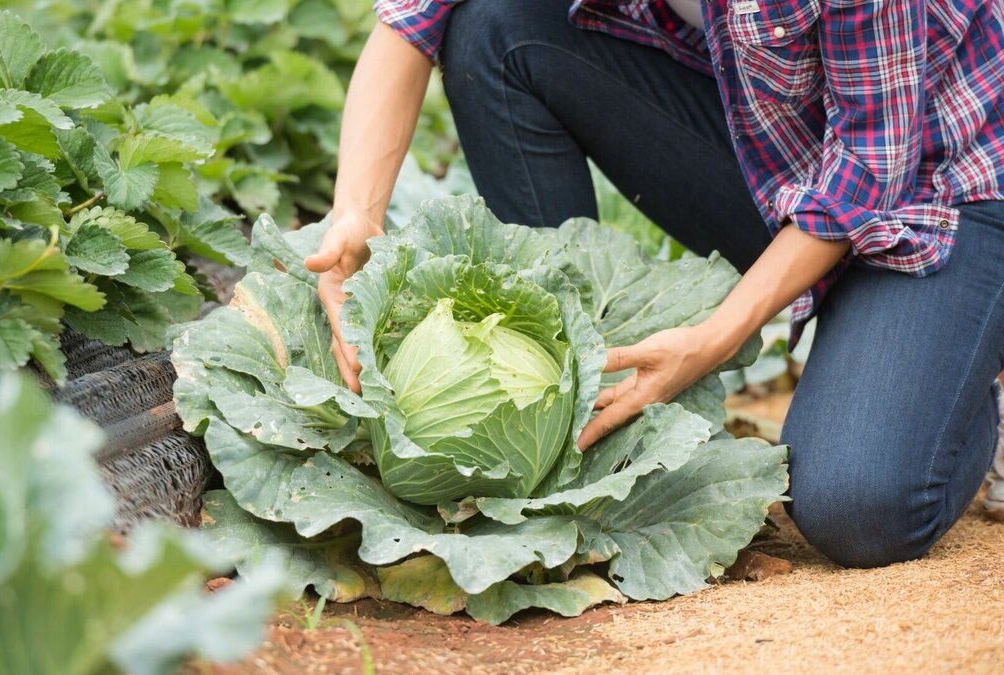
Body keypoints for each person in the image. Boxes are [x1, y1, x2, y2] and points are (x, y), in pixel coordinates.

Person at [303, 0, 1004, 567]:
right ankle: (581, 414)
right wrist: (356, 216)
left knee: (857, 508)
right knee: (496, 26)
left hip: (944, 186)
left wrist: (711, 337)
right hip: (780, 147)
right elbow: (413, 16)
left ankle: (961, 367)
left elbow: (867, 173)